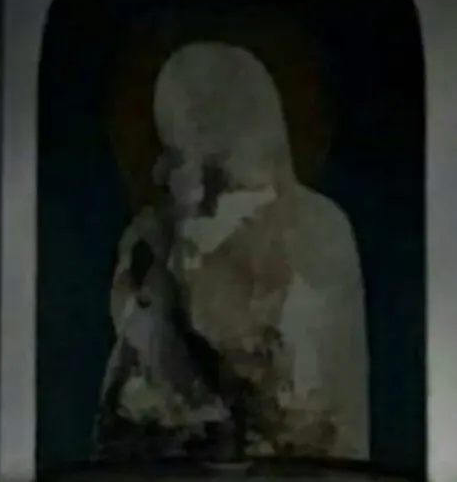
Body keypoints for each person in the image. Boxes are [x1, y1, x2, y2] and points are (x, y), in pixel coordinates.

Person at [95, 42, 368, 461]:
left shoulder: (318, 229)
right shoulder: (149, 236)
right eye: (178, 147)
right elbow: (124, 407)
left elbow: (321, 417)